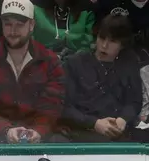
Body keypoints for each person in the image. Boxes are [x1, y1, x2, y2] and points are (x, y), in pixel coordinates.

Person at [0, 0, 66, 143]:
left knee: (59, 142)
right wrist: (6, 129)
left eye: (19, 24)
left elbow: (52, 106)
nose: (13, 31)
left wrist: (39, 131)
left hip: (38, 133)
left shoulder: (50, 61)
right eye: (8, 24)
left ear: (32, 25)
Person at [60, 13, 143, 142]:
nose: (104, 45)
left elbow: (135, 101)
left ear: (122, 44)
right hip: (81, 133)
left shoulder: (129, 64)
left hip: (118, 134)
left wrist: (123, 119)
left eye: (112, 41)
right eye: (102, 38)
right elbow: (64, 107)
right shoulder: (75, 63)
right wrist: (94, 123)